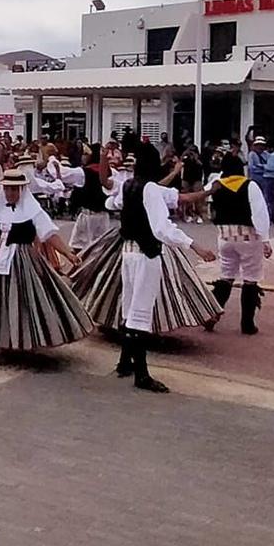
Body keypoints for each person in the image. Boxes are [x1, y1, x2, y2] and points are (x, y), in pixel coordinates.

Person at [111, 140, 219, 394]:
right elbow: (162, 228)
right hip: (145, 255)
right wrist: (195, 246)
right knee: (140, 314)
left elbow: (112, 204)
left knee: (130, 308)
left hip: (127, 253)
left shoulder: (130, 185)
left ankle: (125, 363)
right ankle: (142, 375)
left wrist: (207, 191)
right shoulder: (149, 189)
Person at [0, 167, 92, 354]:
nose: (10, 193)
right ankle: (3, 338)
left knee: (24, 300)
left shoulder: (33, 210)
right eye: (7, 189)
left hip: (23, 259)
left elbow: (49, 234)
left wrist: (68, 253)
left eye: (14, 189)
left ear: (21, 189)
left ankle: (25, 339)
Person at [206, 153, 274, 335]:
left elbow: (208, 205)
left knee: (226, 276)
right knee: (251, 279)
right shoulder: (249, 185)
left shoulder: (216, 185)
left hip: (224, 237)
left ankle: (211, 313)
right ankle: (247, 324)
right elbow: (259, 213)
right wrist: (265, 239)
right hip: (247, 238)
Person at [244, 136, 274, 225]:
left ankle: (268, 217)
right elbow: (251, 167)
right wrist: (262, 168)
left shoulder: (267, 154)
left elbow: (269, 165)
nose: (260, 147)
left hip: (266, 178)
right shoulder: (252, 154)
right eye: (258, 145)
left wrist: (261, 167)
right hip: (255, 178)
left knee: (267, 199)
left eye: (262, 145)